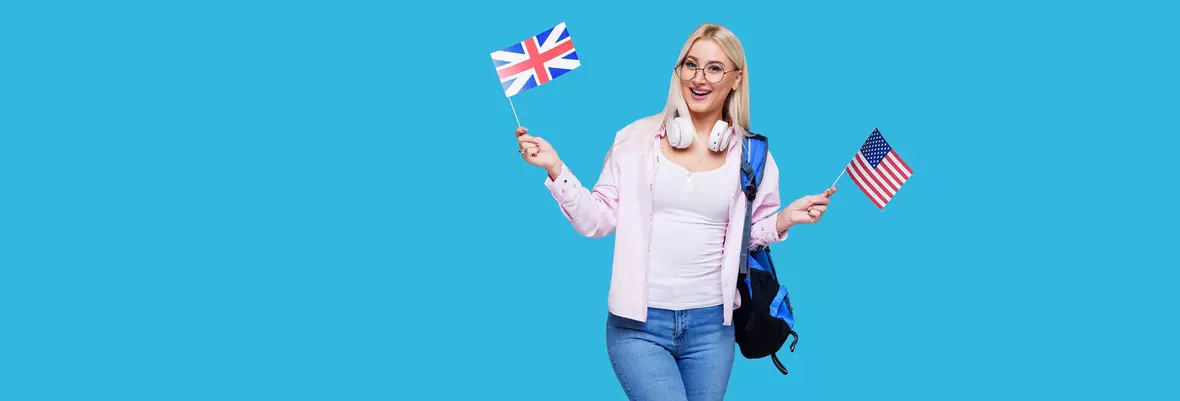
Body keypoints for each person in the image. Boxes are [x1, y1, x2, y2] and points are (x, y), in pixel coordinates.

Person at [514, 23, 836, 401]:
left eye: (715, 68)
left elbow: (746, 242)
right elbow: (596, 221)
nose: (699, 79)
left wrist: (785, 220)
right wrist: (556, 169)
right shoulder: (634, 140)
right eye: (691, 65)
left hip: (712, 329)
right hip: (638, 327)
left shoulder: (751, 155)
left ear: (735, 78)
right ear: (678, 70)